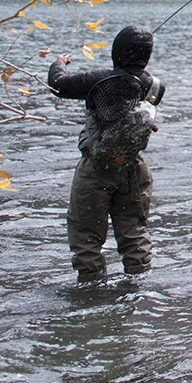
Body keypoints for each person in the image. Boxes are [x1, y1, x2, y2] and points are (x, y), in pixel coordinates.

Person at [47, 25, 166, 282]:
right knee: (134, 235)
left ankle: (92, 296)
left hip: (95, 170)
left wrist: (59, 63)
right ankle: (138, 291)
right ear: (147, 55)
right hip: (134, 168)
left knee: (86, 238)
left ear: (116, 51)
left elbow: (57, 86)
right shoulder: (156, 86)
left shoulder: (97, 80)